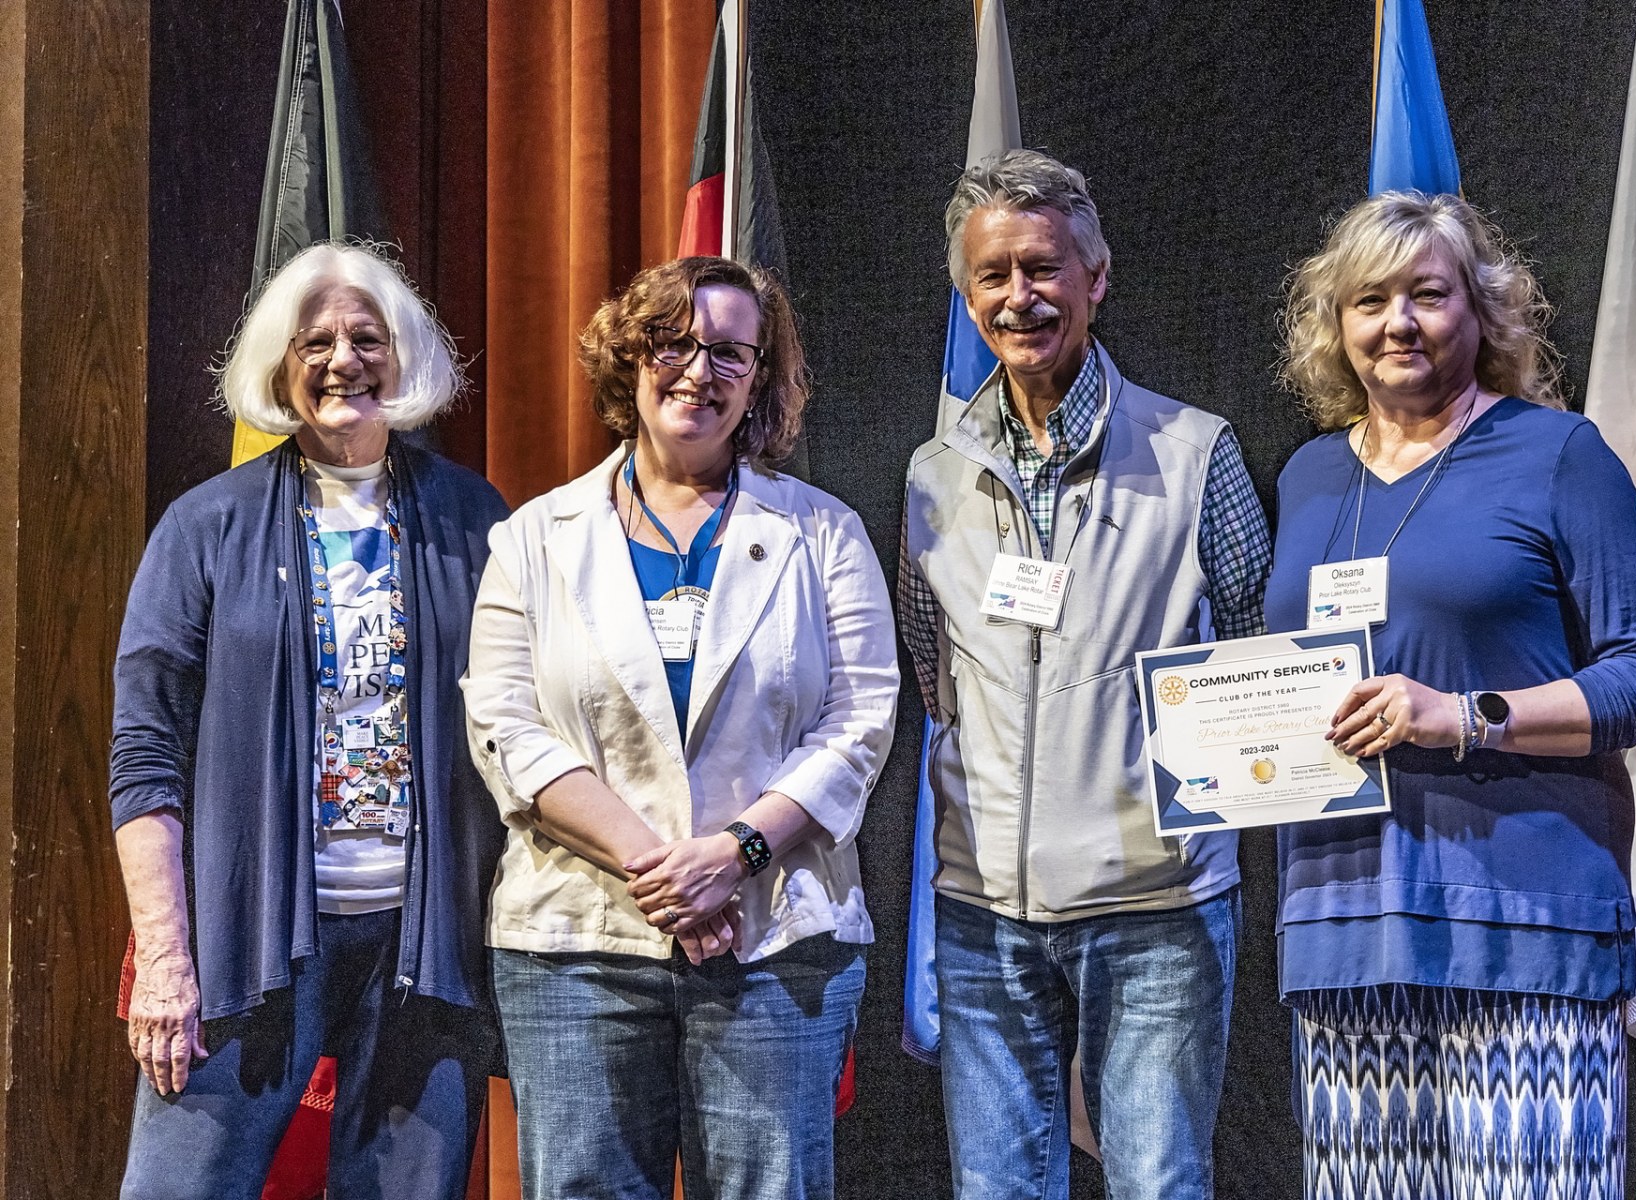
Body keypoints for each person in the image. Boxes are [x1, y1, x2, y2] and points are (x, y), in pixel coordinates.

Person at [1266, 190, 1636, 1200]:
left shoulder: (1558, 455)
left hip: (1524, 925)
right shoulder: (1308, 476)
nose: (1398, 323)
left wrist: (1464, 716)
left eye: (1428, 294)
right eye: (1370, 300)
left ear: (1480, 308)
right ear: (1336, 323)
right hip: (1346, 930)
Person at [463, 255, 898, 1200]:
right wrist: (667, 874)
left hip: (776, 938)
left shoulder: (824, 533)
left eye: (730, 353)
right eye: (673, 343)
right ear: (631, 356)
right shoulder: (533, 537)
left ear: (761, 378)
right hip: (577, 946)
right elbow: (505, 728)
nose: (699, 371)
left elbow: (861, 721)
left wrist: (735, 855)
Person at [898, 148, 1272, 1200]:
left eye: (1043, 268)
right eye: (993, 275)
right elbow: (934, 670)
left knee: (1157, 1182)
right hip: (984, 908)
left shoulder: (1195, 452)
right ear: (968, 297)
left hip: (1157, 906)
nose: (1019, 296)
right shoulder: (933, 474)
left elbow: (1253, 656)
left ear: (1096, 277)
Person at [111, 242, 510, 1199]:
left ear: (403, 356)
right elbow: (145, 749)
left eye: (367, 339)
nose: (343, 362)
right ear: (279, 365)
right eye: (315, 342)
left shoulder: (475, 516)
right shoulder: (205, 525)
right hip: (244, 937)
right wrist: (164, 956)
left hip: (425, 945)